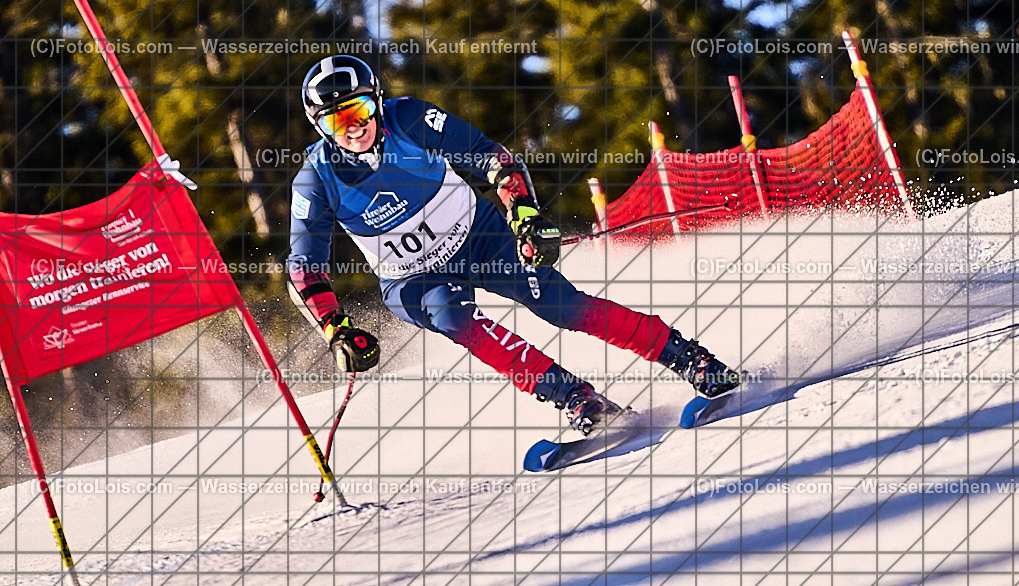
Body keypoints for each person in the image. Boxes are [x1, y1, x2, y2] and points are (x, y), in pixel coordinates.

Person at [286, 55, 740, 435]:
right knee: (454, 316)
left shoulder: (408, 119)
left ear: (377, 102)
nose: (352, 127)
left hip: (478, 237)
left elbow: (490, 157)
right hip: (412, 278)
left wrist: (523, 212)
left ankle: (688, 357)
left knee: (560, 306)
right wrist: (336, 328)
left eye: (359, 110)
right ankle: (577, 398)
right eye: (336, 118)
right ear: (318, 125)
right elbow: (304, 267)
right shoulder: (314, 179)